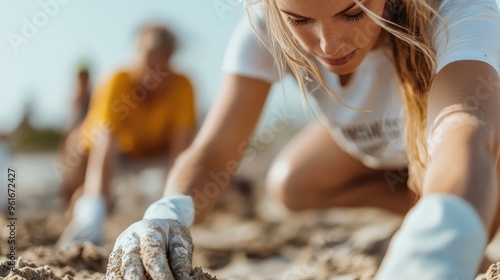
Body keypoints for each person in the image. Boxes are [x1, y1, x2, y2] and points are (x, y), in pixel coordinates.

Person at [105, 0, 500, 279]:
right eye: (299, 21)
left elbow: (464, 129)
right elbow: (213, 151)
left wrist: (440, 240)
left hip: (479, 145)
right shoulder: (263, 21)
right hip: (388, 149)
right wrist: (168, 211)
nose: (330, 46)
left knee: (466, 155)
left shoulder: (458, 10)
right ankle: (426, 204)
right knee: (291, 183)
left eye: (353, 13)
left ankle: (457, 213)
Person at [57, 24, 197, 248]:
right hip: (116, 153)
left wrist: (171, 210)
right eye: (149, 58)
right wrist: (95, 206)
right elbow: (105, 140)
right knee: (77, 148)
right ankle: (85, 208)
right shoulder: (117, 79)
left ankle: (96, 199)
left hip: (153, 155)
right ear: (136, 54)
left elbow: (181, 150)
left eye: (163, 60)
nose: (155, 70)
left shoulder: (182, 85)